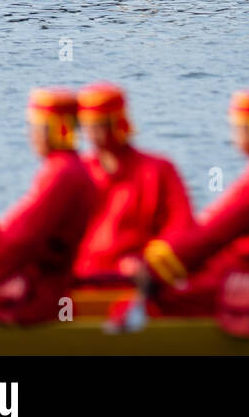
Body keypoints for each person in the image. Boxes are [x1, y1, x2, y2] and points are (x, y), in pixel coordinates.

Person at [133, 90, 249, 336]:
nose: (234, 137)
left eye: (239, 129)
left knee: (164, 297)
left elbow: (215, 232)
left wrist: (156, 266)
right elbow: (215, 224)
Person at [0, 89, 97, 325]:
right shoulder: (70, 169)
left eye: (34, 127)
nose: (29, 135)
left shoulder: (62, 174)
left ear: (54, 130)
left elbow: (22, 238)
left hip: (40, 295)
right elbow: (18, 231)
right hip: (45, 284)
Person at [73, 83, 193, 281]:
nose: (91, 132)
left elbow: (181, 229)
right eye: (86, 125)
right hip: (80, 278)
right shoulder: (78, 172)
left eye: (99, 124)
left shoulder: (158, 170)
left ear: (118, 123)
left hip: (140, 279)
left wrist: (150, 265)